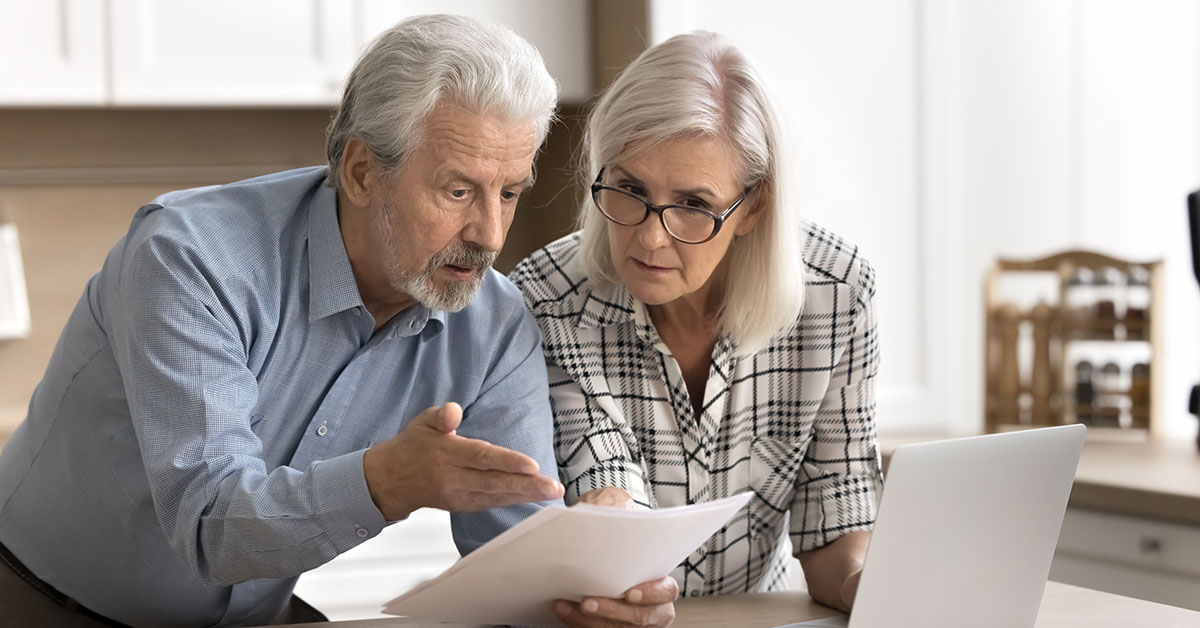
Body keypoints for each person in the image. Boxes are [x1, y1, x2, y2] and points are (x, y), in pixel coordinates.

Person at [0, 15, 580, 627]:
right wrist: (388, 481)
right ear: (361, 172)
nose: (489, 235)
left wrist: (587, 598)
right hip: (42, 604)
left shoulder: (494, 322)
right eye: (458, 192)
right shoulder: (193, 258)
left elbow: (519, 551)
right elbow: (210, 526)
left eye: (510, 193)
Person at [510, 30, 884, 620]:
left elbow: (836, 526)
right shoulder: (548, 298)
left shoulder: (836, 296)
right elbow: (605, 484)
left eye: (693, 204)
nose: (651, 236)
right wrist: (628, 580)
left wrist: (877, 588)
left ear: (753, 205)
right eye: (630, 189)